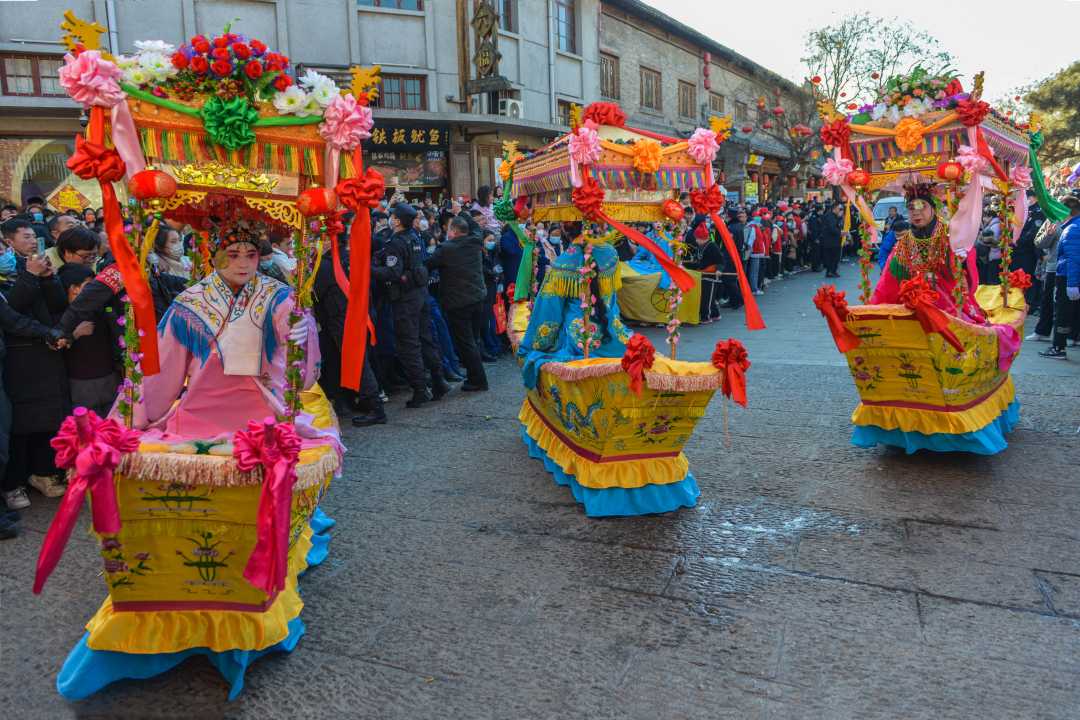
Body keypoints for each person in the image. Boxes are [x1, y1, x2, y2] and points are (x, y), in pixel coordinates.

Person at [127, 224, 322, 438]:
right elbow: (164, 362)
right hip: (202, 408)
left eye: (251, 255)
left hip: (265, 408)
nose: (243, 264)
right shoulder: (191, 302)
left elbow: (299, 365)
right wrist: (139, 413)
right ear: (215, 257)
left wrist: (303, 334)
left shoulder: (280, 297)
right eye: (233, 255)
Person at [0, 218, 72, 502]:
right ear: (9, 240)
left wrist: (49, 278)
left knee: (49, 415)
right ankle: (13, 482)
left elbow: (56, 305)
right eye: (26, 236)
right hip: (19, 354)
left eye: (34, 237)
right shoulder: (9, 271)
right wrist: (30, 276)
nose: (32, 241)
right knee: (21, 420)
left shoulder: (35, 265)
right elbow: (12, 313)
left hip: (46, 349)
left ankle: (43, 471)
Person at [871, 183, 983, 322]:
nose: (916, 212)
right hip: (914, 306)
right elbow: (888, 282)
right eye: (911, 208)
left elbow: (962, 275)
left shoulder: (949, 236)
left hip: (948, 304)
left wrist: (962, 258)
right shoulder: (903, 244)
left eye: (922, 206)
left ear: (933, 209)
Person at [374, 203, 449, 408]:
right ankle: (438, 380)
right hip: (420, 294)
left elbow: (393, 272)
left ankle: (419, 389)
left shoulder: (396, 242)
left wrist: (369, 270)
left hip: (405, 299)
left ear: (397, 220)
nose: (390, 219)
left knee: (409, 344)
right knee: (426, 339)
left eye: (392, 216)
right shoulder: (415, 237)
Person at [425, 216, 489, 391]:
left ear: (452, 231)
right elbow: (476, 227)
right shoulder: (475, 241)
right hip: (477, 298)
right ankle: (474, 375)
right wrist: (460, 211)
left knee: (466, 343)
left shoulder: (446, 248)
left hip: (458, 303)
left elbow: (427, 264)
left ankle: (478, 380)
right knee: (473, 340)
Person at [56, 264, 119, 418]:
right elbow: (54, 345)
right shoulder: (62, 315)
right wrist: (75, 334)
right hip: (81, 384)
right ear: (74, 288)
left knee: (112, 427)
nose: (95, 291)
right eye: (89, 286)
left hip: (109, 379)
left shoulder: (101, 308)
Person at [1039, 194, 1080, 360]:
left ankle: (1058, 347)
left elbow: (1073, 259)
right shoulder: (1073, 226)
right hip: (1068, 275)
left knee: (1062, 312)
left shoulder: (1073, 229)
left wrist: (1072, 283)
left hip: (1067, 276)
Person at [1028, 218, 1062, 342]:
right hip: (1053, 267)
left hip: (1070, 267)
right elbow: (1039, 242)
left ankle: (1071, 336)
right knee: (1047, 299)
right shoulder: (1053, 219)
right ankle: (1041, 331)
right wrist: (1048, 234)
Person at [684, 220, 724, 322]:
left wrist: (719, 269)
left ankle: (706, 317)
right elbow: (699, 261)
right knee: (706, 296)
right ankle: (715, 314)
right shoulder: (700, 246)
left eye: (697, 238)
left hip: (711, 274)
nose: (696, 240)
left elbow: (720, 260)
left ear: (703, 238)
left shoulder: (712, 246)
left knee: (707, 298)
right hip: (702, 273)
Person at [820, 203, 844, 278]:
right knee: (833, 257)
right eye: (838, 209)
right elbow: (832, 228)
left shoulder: (833, 216)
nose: (839, 210)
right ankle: (831, 271)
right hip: (831, 241)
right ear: (834, 208)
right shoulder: (830, 217)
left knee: (832, 257)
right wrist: (840, 232)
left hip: (831, 240)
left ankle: (831, 271)